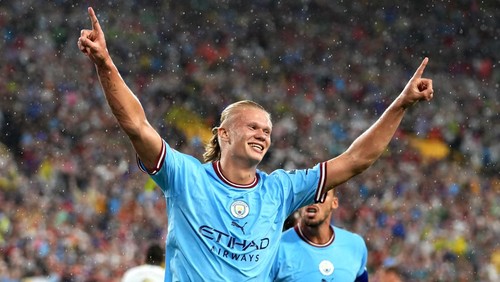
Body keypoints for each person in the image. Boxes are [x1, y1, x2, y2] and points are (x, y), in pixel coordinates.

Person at [78, 6, 433, 281]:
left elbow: (356, 159)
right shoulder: (186, 177)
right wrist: (105, 63)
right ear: (223, 133)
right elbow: (137, 126)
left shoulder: (281, 190)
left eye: (267, 130)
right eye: (253, 126)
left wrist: (400, 103)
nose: (263, 134)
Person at [271, 189, 368, 282]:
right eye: (307, 194)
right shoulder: (274, 249)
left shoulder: (355, 245)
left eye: (321, 195)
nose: (313, 200)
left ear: (334, 203)